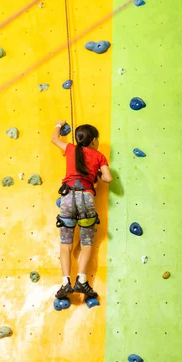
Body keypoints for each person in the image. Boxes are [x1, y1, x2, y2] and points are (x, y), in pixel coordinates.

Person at [51, 120, 112, 300]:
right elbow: (108, 178)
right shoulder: (99, 155)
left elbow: (54, 139)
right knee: (86, 242)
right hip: (86, 197)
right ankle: (82, 280)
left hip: (68, 196)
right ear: (93, 140)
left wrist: (58, 125)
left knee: (65, 243)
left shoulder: (70, 149)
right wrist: (98, 173)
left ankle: (65, 283)